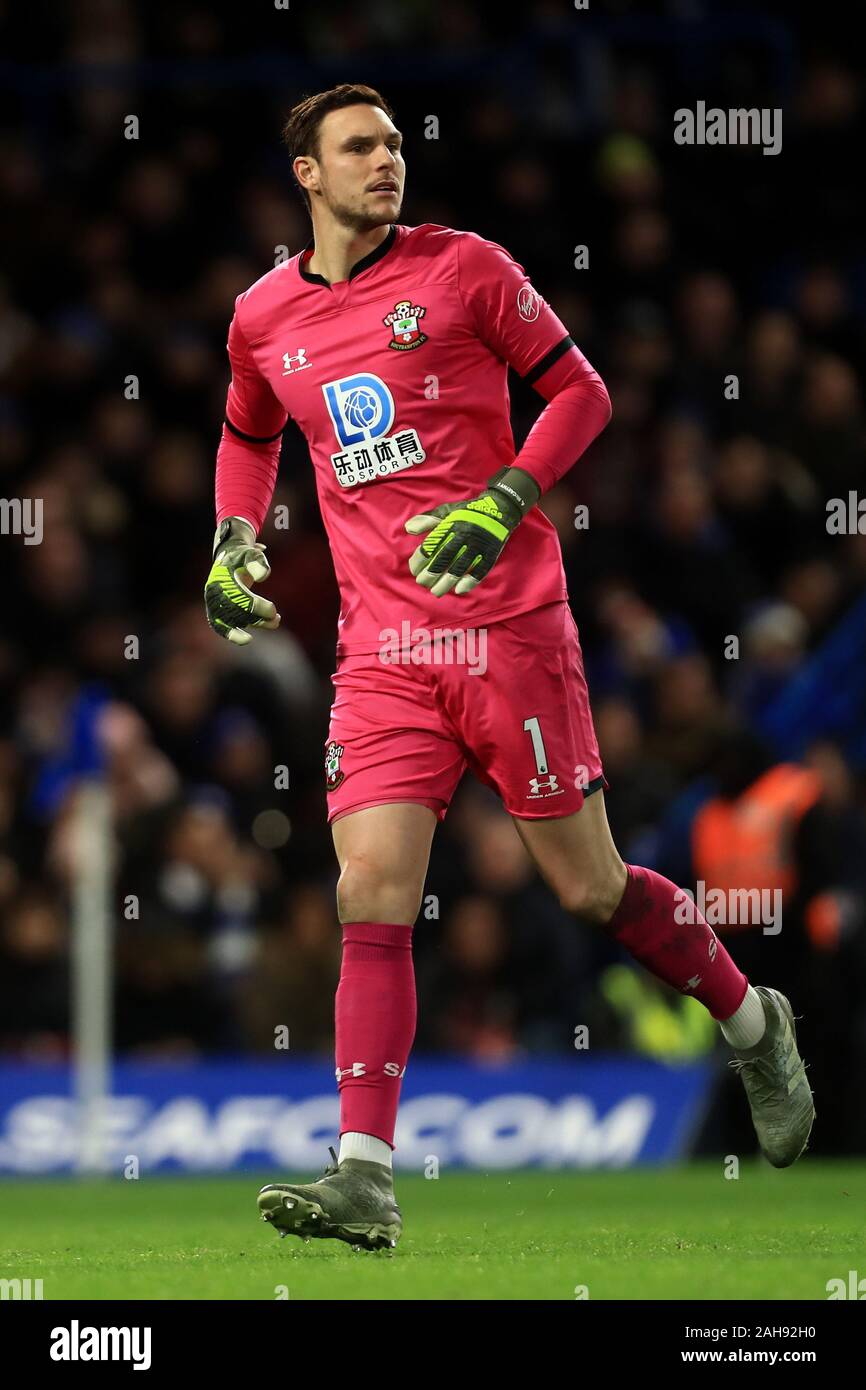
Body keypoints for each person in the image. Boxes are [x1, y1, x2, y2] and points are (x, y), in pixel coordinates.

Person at [203, 84, 814, 1250]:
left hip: (507, 631)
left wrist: (506, 496)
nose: (385, 161)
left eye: (392, 144)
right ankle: (364, 1173)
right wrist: (233, 536)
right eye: (358, 147)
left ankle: (750, 1023)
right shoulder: (260, 316)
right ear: (306, 175)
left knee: (587, 889)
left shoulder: (464, 268)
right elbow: (246, 432)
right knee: (367, 891)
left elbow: (582, 392)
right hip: (381, 653)